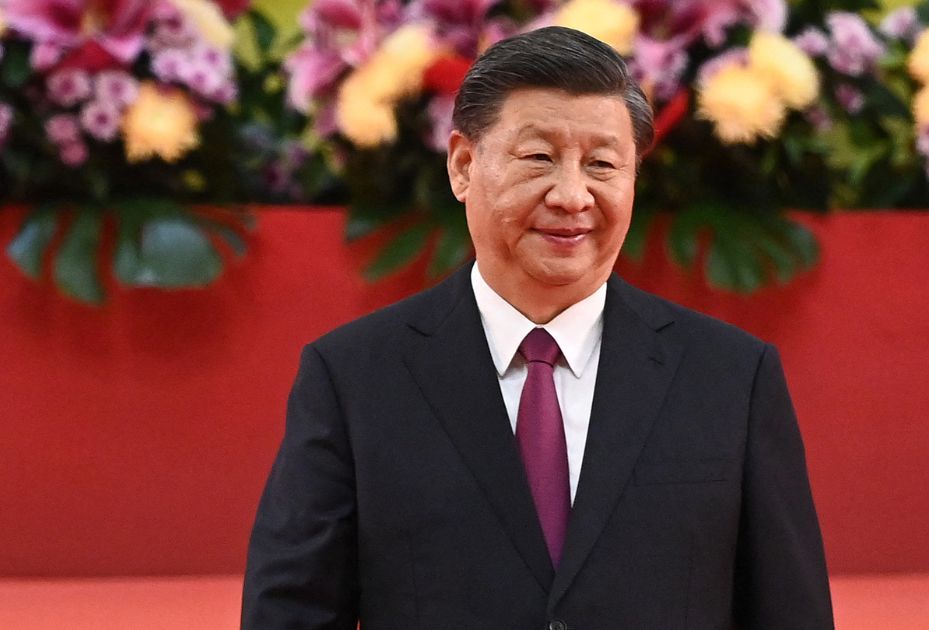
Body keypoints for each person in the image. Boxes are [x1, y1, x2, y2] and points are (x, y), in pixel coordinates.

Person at [242, 26, 833, 629]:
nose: (573, 195)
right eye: (539, 158)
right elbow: (292, 612)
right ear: (464, 166)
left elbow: (790, 611)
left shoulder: (730, 377)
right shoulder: (353, 378)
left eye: (602, 164)